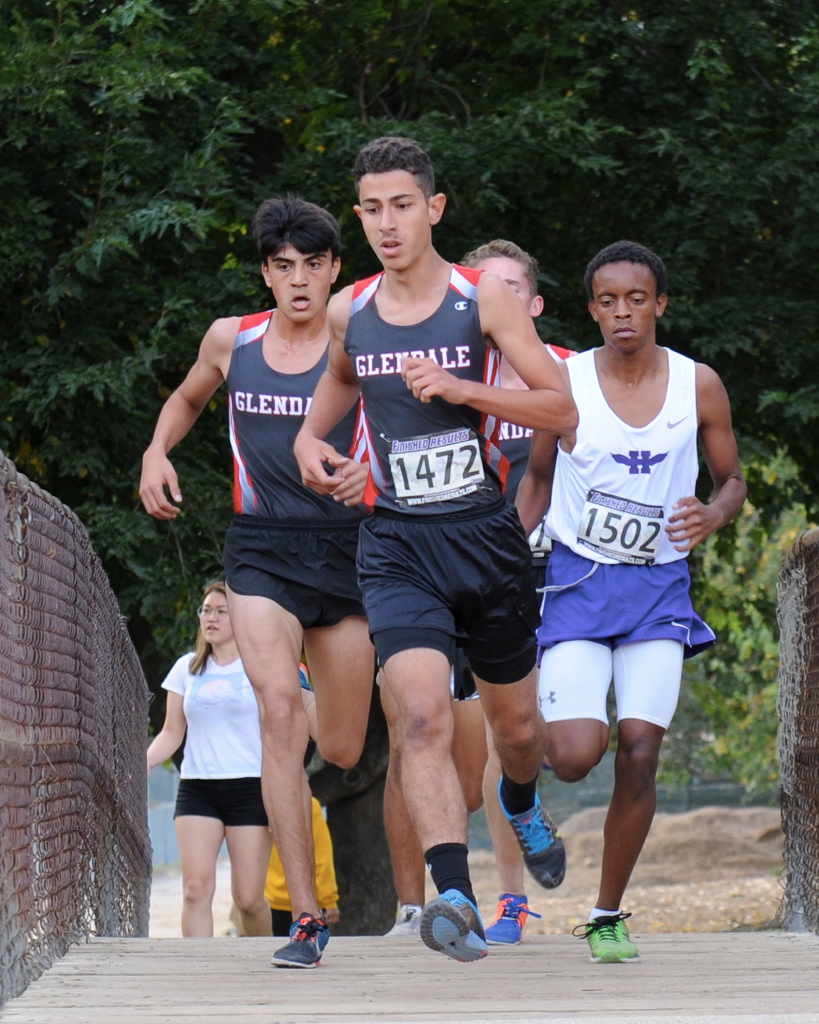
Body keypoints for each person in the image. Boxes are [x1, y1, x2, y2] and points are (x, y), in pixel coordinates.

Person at [294, 136, 577, 963]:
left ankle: (519, 802)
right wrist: (311, 442)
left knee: (516, 732)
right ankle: (452, 895)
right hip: (396, 543)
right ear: (358, 215)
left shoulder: (479, 300)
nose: (387, 224)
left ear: (433, 208)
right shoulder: (349, 311)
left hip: (484, 538)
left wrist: (462, 388)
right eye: (371, 209)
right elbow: (338, 384)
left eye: (402, 206)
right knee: (416, 716)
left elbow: (561, 409)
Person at [139, 197, 374, 969]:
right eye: (283, 266)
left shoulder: (362, 335)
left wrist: (369, 476)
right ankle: (303, 918)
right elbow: (187, 398)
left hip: (347, 549)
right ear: (266, 273)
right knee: (277, 711)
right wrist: (157, 451)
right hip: (262, 548)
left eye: (313, 265)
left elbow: (409, 422)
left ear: (334, 270)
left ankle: (302, 723)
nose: (298, 280)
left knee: (339, 745)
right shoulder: (230, 340)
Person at [517, 240, 747, 963]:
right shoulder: (563, 382)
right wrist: (499, 561)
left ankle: (606, 913)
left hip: (656, 589)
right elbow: (537, 480)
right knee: (575, 757)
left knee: (641, 749)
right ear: (591, 309)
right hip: (578, 583)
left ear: (659, 305)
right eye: (608, 301)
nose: (623, 313)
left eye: (637, 299)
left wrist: (713, 514)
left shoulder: (698, 384)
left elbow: (732, 479)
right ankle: (521, 785)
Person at [382, 239, 574, 942]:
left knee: (521, 736)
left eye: (510, 288)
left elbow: (566, 462)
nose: (494, 299)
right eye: (482, 287)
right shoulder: (427, 368)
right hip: (446, 564)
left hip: (549, 571)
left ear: (533, 304)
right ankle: (443, 902)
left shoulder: (561, 374)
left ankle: (513, 877)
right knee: (431, 736)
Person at [146, 581, 273, 938]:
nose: (210, 618)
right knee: (195, 890)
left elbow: (278, 730)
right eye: (205, 610)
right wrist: (142, 763)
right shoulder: (186, 668)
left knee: (248, 899)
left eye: (221, 611)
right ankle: (198, 966)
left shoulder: (260, 667)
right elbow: (171, 733)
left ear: (241, 618)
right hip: (198, 789)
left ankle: (265, 957)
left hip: (252, 787)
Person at [266, 797, 340, 936]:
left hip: (268, 899)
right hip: (304, 902)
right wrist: (329, 901)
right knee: (305, 945)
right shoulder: (309, 805)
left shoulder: (264, 805)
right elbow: (321, 857)